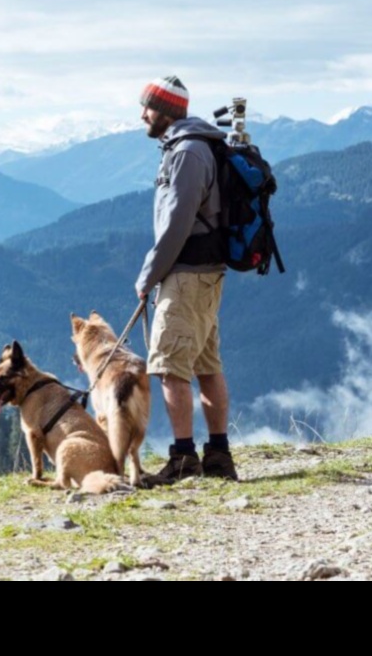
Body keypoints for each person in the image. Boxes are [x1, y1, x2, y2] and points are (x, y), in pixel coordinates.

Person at [134, 76, 238, 484]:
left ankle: (183, 458)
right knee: (206, 363)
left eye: (147, 107)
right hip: (204, 274)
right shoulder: (196, 145)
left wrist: (148, 276)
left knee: (171, 366)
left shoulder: (187, 153)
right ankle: (218, 456)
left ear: (167, 111)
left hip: (186, 275)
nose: (142, 114)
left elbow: (177, 224)